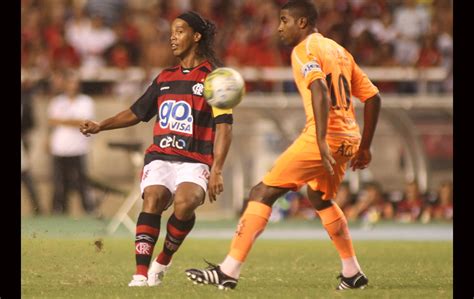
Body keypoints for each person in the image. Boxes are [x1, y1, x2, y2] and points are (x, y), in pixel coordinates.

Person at [185, 0, 381, 291]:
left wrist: (320, 140)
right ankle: (352, 273)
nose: (279, 26)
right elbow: (374, 97)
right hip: (349, 139)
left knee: (261, 192)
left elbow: (320, 90)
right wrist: (364, 147)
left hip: (324, 138)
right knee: (320, 198)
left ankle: (228, 271)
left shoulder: (304, 50)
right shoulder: (339, 51)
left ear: (302, 23)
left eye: (284, 20)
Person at [79, 11, 233, 287]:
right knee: (153, 197)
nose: (173, 37)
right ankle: (140, 275)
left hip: (195, 159)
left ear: (196, 37)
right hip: (160, 156)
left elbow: (224, 126)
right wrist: (101, 125)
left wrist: (217, 169)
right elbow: (137, 112)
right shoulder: (165, 77)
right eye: (172, 32)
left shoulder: (215, 78)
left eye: (180, 31)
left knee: (186, 203)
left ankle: (163, 260)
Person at [47, 70, 96, 215]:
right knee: (59, 183)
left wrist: (63, 120)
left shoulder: (86, 101)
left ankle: (89, 210)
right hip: (60, 148)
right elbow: (51, 121)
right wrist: (72, 121)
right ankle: (59, 211)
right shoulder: (57, 101)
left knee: (82, 182)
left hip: (78, 148)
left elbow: (84, 122)